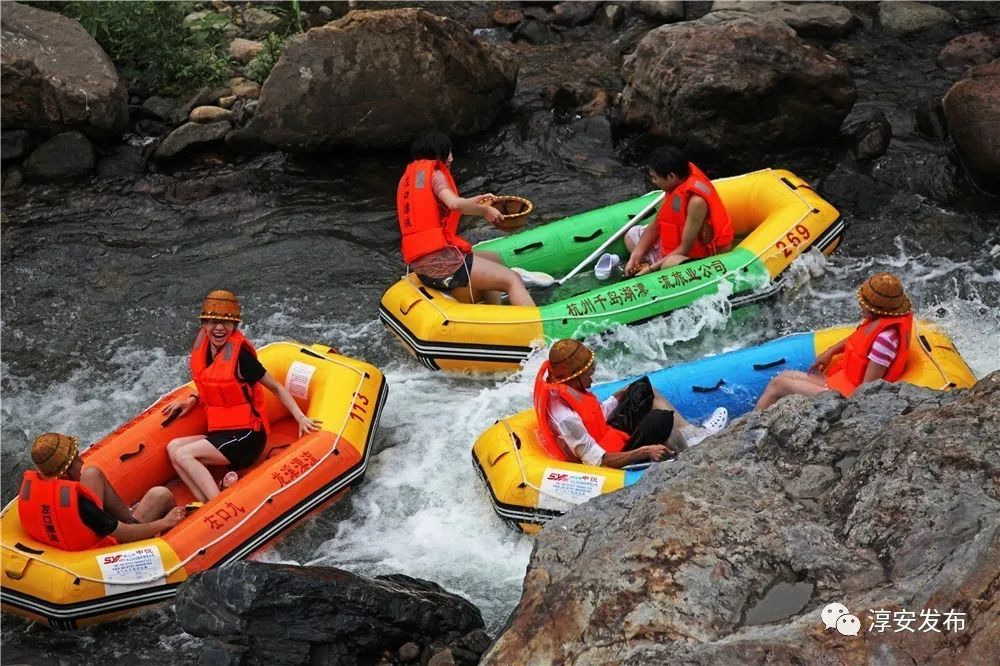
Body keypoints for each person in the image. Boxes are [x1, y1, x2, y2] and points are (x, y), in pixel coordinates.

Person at [163, 290, 320, 503]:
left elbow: (276, 388)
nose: (219, 328)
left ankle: (217, 503)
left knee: (184, 455)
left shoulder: (241, 359)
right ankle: (203, 502)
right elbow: (214, 385)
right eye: (213, 322)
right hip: (221, 433)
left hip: (247, 437)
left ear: (235, 326)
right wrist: (192, 399)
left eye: (226, 323)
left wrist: (300, 417)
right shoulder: (205, 349)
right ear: (204, 324)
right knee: (173, 448)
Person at [534, 339, 729, 469]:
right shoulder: (566, 418)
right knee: (659, 420)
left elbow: (594, 418)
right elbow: (598, 461)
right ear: (575, 377)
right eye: (589, 371)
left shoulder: (567, 389)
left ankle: (694, 434)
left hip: (605, 435)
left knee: (642, 388)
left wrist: (616, 398)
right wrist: (644, 451)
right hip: (611, 456)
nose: (593, 372)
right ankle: (691, 455)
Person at [396, 130, 535, 306]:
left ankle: (496, 313)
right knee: (513, 279)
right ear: (439, 153)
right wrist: (484, 212)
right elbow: (454, 204)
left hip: (422, 265)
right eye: (449, 152)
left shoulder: (410, 178)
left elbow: (448, 205)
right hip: (442, 264)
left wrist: (475, 202)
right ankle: (534, 328)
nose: (452, 158)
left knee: (494, 260)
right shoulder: (436, 175)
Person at [755, 273, 915, 410]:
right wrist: (829, 353)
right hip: (842, 383)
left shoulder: (885, 340)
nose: (861, 306)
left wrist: (829, 394)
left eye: (863, 305)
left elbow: (868, 388)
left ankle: (748, 432)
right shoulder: (879, 322)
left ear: (875, 309)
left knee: (779, 385)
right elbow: (857, 340)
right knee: (783, 376)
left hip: (848, 398)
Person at [18, 432, 185, 551]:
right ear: (64, 472)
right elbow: (127, 535)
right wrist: (166, 522)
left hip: (74, 538)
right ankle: (170, 546)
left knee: (92, 473)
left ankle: (129, 518)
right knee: (161, 495)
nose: (81, 461)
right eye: (76, 459)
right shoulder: (83, 507)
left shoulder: (37, 490)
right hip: (110, 549)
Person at [624, 146, 734, 276]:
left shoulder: (696, 202)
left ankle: (655, 267)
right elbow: (657, 223)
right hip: (673, 245)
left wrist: (651, 269)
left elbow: (685, 248)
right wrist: (637, 254)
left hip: (697, 254)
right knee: (631, 236)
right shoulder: (676, 187)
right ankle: (652, 262)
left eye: (655, 177)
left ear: (671, 176)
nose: (653, 181)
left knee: (670, 263)